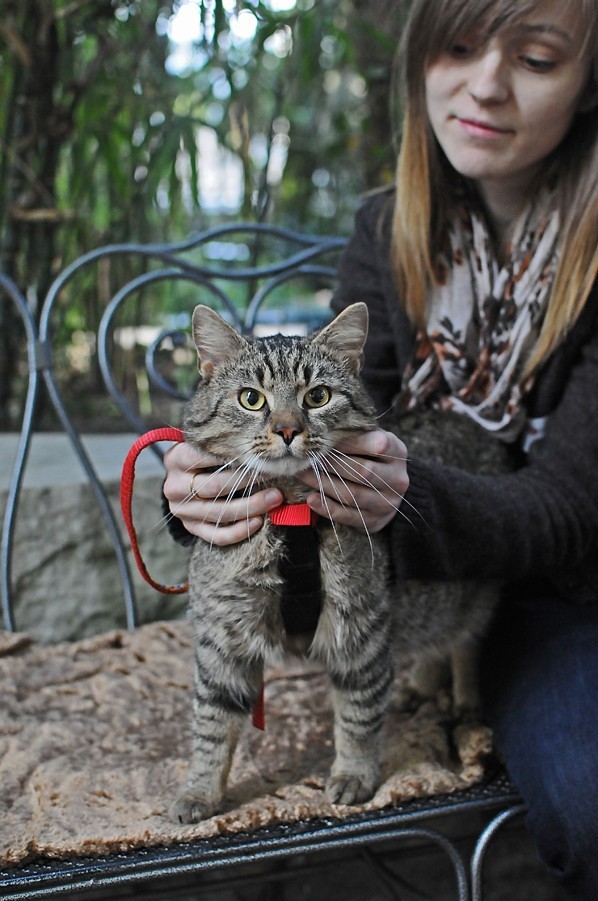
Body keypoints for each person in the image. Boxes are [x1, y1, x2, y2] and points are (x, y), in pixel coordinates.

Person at [163, 0, 598, 896]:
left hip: (563, 581)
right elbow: (345, 414)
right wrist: (203, 493)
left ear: (591, 83)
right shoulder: (385, 223)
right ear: (418, 63)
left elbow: (569, 509)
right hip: (415, 559)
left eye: (538, 57)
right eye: (460, 45)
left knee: (590, 792)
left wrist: (398, 495)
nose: (485, 83)